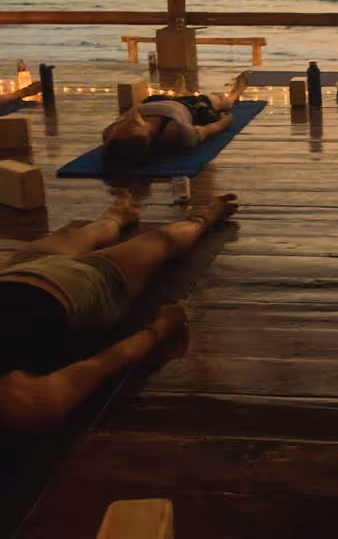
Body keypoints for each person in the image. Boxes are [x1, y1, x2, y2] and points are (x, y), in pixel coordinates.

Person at [0, 191, 238, 431]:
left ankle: (115, 217)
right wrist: (158, 330)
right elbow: (97, 367)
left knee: (70, 236)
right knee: (161, 241)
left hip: (17, 271)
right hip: (81, 286)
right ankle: (205, 217)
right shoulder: (17, 406)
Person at [102, 72, 249, 168]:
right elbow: (208, 131)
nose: (123, 122)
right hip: (192, 108)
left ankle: (180, 93)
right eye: (128, 126)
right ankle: (236, 91)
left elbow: (113, 135)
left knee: (167, 98)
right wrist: (225, 122)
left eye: (118, 128)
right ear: (143, 134)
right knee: (222, 102)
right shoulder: (174, 132)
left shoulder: (113, 132)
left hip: (154, 101)